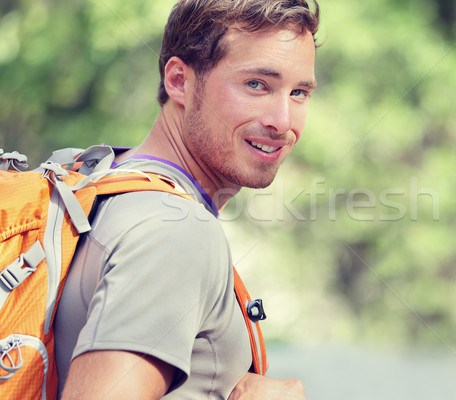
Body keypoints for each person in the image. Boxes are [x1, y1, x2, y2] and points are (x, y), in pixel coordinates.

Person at [53, 0, 320, 398]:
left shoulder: (92, 177)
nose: (283, 122)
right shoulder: (175, 232)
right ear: (179, 81)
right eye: (257, 84)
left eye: (298, 92)